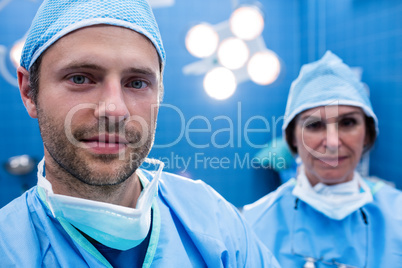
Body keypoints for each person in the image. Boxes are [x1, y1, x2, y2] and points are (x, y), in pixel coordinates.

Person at [0, 1, 280, 267]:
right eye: (80, 78)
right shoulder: (8, 248)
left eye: (136, 83)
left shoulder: (216, 225)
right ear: (29, 92)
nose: (115, 109)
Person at [243, 51, 402, 267]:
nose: (333, 142)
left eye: (347, 123)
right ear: (293, 138)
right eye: (314, 125)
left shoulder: (397, 217)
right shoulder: (253, 225)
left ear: (367, 133)